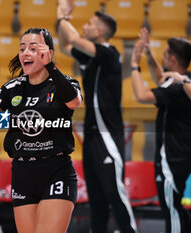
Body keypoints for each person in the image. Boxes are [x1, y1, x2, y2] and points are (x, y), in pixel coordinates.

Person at [0, 27, 82, 233]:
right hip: (22, 173)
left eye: (33, 48)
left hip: (56, 169)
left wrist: (51, 66)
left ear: (47, 52)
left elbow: (73, 102)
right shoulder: (12, 89)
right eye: (22, 49)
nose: (26, 53)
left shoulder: (62, 84)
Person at [56, 1, 137, 232]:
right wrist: (60, 14)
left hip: (107, 135)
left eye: (90, 24)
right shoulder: (91, 58)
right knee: (97, 198)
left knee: (114, 191)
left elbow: (72, 39)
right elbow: (64, 46)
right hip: (92, 135)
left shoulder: (109, 53)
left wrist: (63, 17)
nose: (85, 26)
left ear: (99, 31)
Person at [131, 35, 191, 233]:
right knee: (174, 203)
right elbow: (162, 78)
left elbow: (141, 96)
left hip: (172, 156)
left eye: (165, 53)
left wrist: (135, 65)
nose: (163, 57)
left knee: (170, 208)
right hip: (184, 153)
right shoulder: (188, 80)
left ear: (173, 59)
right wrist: (150, 54)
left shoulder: (176, 87)